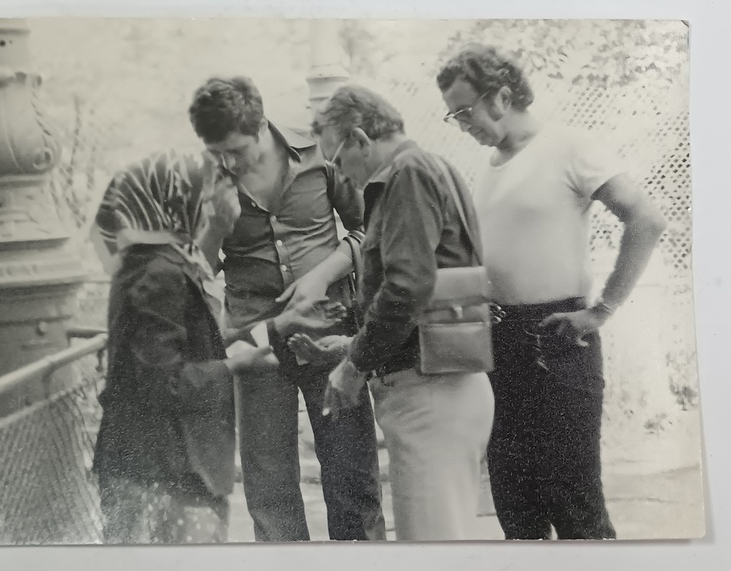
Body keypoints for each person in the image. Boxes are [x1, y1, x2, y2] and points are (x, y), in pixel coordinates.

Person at [436, 43, 667, 540]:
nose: (460, 123)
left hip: (555, 339)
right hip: (498, 342)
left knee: (574, 501)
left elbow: (645, 219)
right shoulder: (492, 164)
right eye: (452, 115)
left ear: (499, 96)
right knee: (515, 503)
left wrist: (601, 310)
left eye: (464, 110)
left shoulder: (570, 146)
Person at [90, 149, 342, 543]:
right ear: (175, 204)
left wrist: (275, 326)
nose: (215, 206)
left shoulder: (159, 261)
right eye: (205, 196)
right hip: (163, 471)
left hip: (167, 465)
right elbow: (165, 384)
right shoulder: (158, 273)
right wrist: (239, 366)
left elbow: (189, 347)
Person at [187, 76, 385, 542]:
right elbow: (196, 273)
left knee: (352, 480)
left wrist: (324, 273)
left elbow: (368, 232)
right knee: (269, 491)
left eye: (237, 149)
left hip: (329, 332)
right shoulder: (205, 177)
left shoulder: (319, 152)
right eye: (218, 151)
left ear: (261, 127)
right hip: (257, 345)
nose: (228, 161)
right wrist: (216, 224)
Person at [303, 84, 495, 541]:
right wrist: (352, 345)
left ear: (362, 140)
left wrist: (355, 365)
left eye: (337, 161)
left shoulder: (406, 173)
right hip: (437, 387)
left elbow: (408, 285)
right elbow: (422, 293)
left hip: (432, 392)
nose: (341, 177)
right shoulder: (427, 170)